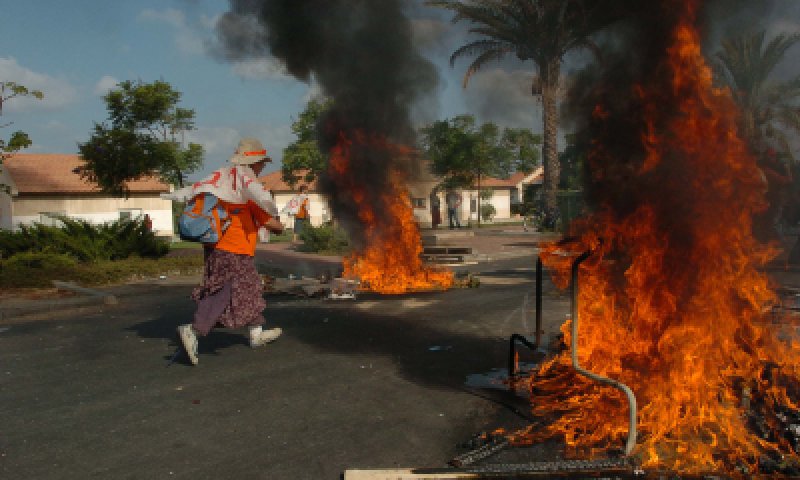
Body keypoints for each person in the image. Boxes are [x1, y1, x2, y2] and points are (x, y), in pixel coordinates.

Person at [174, 137, 284, 366]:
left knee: (250, 287)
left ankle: (256, 333)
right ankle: (194, 330)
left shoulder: (221, 185)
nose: (262, 168)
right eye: (261, 164)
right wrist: (280, 226)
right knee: (223, 291)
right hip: (233, 250)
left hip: (218, 247)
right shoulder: (246, 191)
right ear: (252, 164)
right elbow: (272, 223)